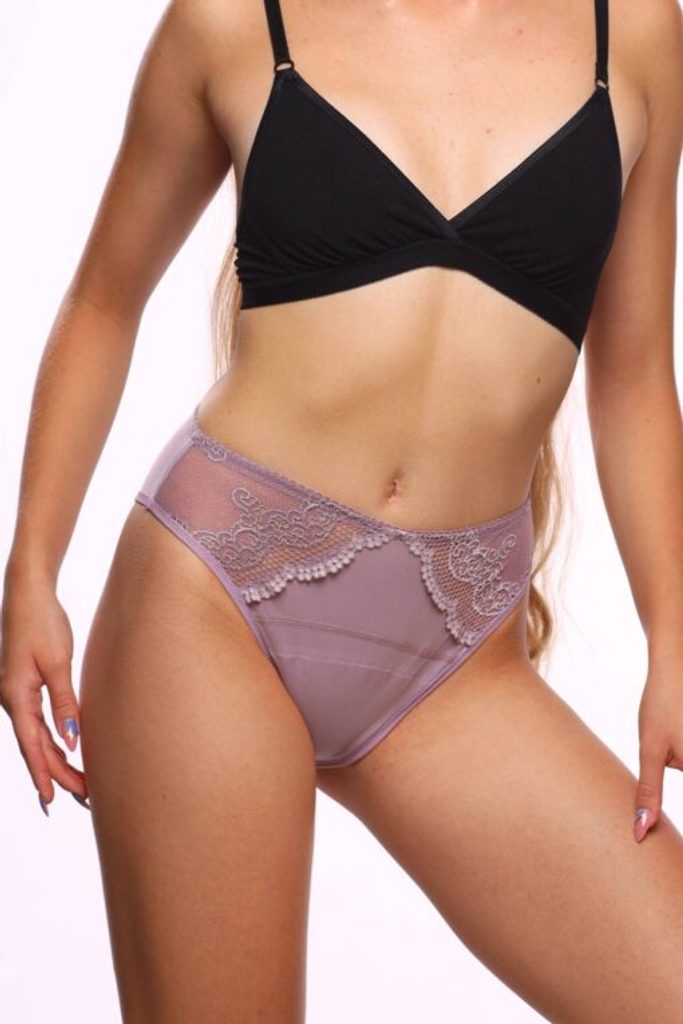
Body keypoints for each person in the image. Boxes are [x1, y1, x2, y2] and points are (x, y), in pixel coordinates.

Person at [2, 0, 683, 1020]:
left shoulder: (629, 32)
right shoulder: (233, 20)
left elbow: (631, 376)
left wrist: (671, 634)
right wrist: (32, 573)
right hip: (214, 601)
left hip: (455, 652)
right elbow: (103, 299)